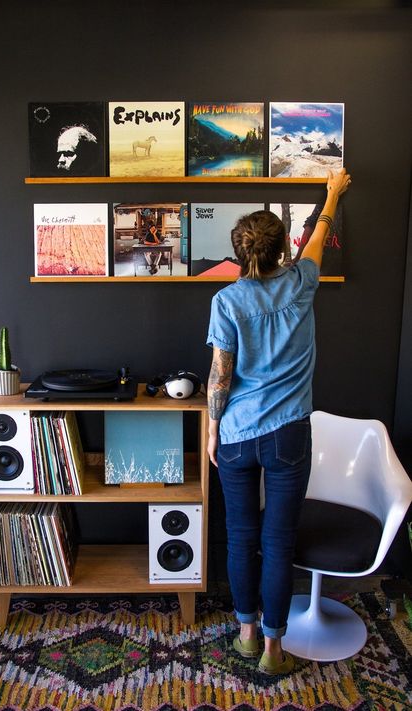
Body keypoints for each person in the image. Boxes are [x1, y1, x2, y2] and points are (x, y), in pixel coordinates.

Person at [206, 168, 351, 675]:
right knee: (277, 541)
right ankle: (272, 648)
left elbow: (219, 377)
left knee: (241, 537)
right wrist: (332, 194)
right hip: (289, 434)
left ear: (239, 252)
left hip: (237, 436)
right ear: (279, 251)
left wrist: (212, 430)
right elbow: (318, 238)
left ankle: (245, 634)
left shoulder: (225, 301)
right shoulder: (301, 283)